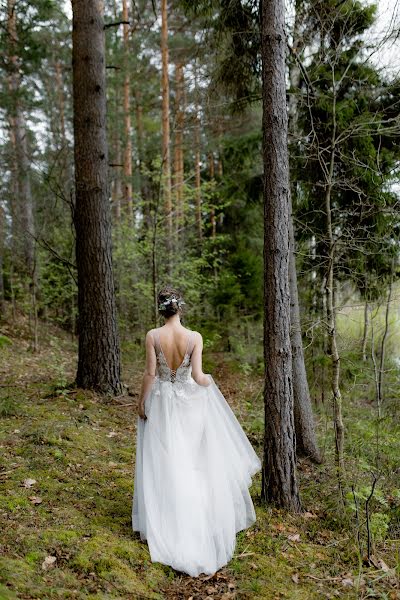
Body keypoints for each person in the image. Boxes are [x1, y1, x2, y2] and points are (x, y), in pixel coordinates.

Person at [132, 286, 261, 577]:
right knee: (190, 461)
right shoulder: (194, 338)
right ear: (180, 307)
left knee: (165, 460)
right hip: (188, 406)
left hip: (163, 404)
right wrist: (210, 383)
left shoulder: (153, 336)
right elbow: (199, 376)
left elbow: (151, 374)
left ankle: (168, 519)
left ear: (161, 308)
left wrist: (141, 402)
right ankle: (195, 518)